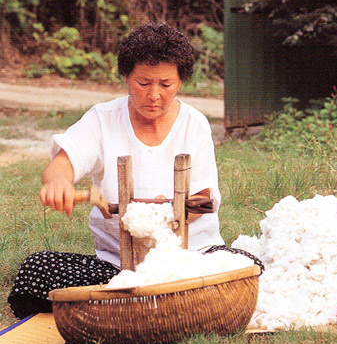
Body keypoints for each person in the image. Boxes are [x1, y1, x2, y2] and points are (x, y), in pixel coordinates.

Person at [7, 22, 224, 319]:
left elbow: (202, 199)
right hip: (117, 268)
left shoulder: (193, 123)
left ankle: (126, 305)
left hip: (191, 259)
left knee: (245, 266)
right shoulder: (103, 119)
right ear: (126, 77)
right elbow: (64, 162)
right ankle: (148, 301)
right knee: (37, 270)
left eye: (165, 85)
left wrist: (161, 213)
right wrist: (58, 182)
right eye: (143, 83)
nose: (154, 95)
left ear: (180, 82)